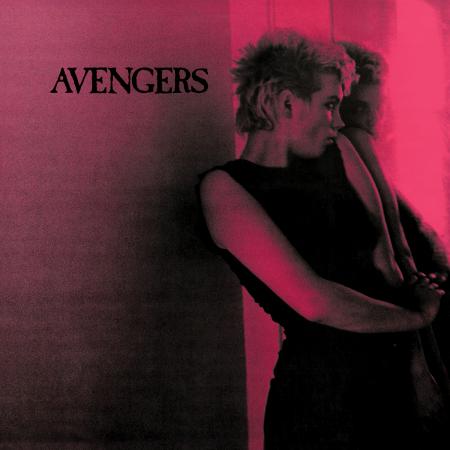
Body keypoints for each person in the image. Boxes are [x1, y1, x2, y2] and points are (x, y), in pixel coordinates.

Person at [198, 30, 448, 449]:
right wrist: (420, 316)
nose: (338, 121)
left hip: (396, 383)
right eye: (330, 105)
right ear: (286, 103)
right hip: (319, 402)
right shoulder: (224, 189)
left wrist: (423, 373)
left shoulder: (340, 151)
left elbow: (390, 264)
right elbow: (316, 302)